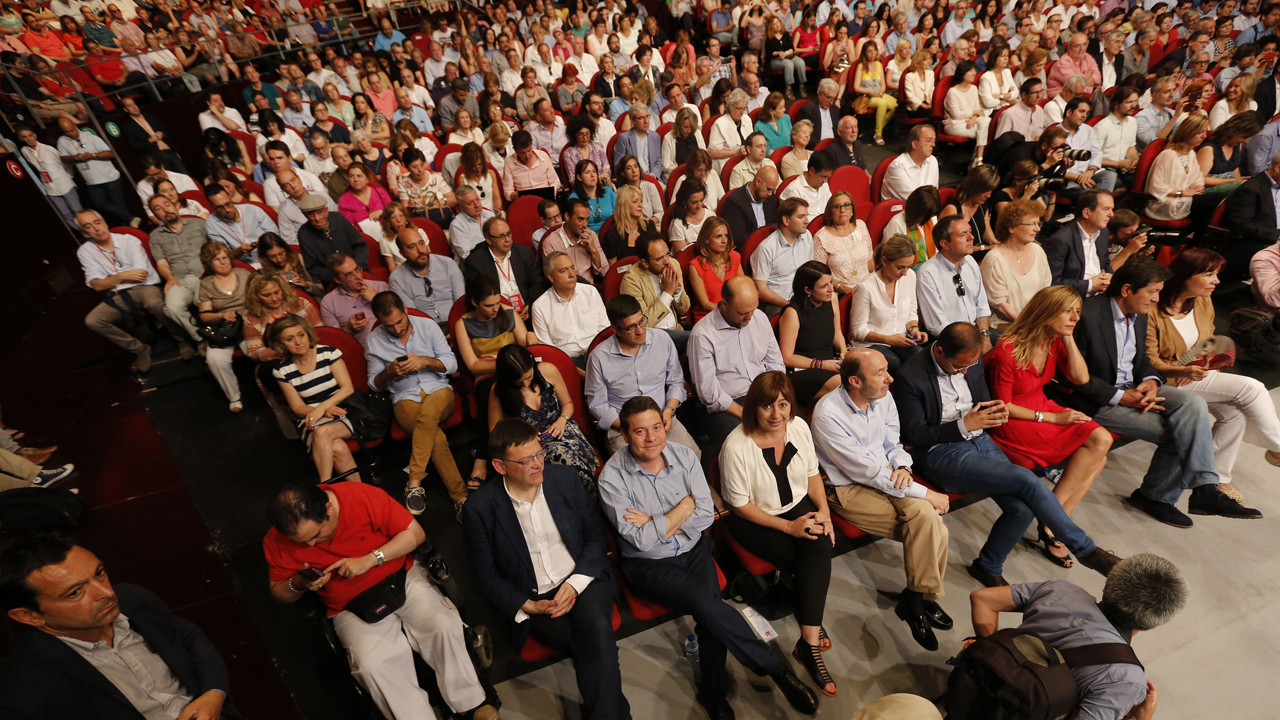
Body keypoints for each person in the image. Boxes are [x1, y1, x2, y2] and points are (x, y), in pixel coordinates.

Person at [597, 396, 820, 718]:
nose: (651, 438)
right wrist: (685, 505)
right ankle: (776, 669)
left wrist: (659, 522)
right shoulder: (612, 478)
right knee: (707, 603)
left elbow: (705, 516)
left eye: (657, 427)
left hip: (694, 550)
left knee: (709, 614)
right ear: (626, 434)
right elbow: (641, 541)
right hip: (649, 565)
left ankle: (713, 695)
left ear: (664, 425)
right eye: (640, 431)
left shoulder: (684, 456)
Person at [893, 322, 1123, 586]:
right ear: (940, 352)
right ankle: (1088, 551)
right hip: (940, 453)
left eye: (971, 365)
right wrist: (964, 425)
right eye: (959, 367)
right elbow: (916, 435)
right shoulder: (910, 376)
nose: (966, 371)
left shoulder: (971, 360)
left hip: (980, 438)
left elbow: (984, 400)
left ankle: (987, 566)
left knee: (1021, 509)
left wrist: (994, 412)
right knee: (1026, 479)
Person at [1045, 257, 1261, 526]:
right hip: (1097, 399)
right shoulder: (1086, 316)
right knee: (1180, 434)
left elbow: (1142, 361)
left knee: (1193, 403)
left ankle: (1205, 488)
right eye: (1153, 291)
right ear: (1127, 290)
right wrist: (1122, 397)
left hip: (1135, 387)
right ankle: (1156, 497)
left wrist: (1150, 380)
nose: (1157, 299)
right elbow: (1073, 377)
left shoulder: (1139, 315)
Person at [262, 482, 498, 720]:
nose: (311, 545)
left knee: (441, 625)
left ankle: (470, 703)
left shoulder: (361, 497)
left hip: (400, 577)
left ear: (328, 509)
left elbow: (415, 534)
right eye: (302, 541)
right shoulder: (277, 540)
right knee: (372, 665)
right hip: (349, 607)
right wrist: (298, 583)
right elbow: (279, 592)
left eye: (316, 535)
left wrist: (370, 559)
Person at [462, 419, 629, 719]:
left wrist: (575, 583)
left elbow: (595, 535)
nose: (539, 464)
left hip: (583, 580)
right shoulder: (480, 508)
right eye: (526, 460)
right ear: (500, 466)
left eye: (539, 453)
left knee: (595, 634)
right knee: (595, 647)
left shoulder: (565, 479)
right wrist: (528, 605)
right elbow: (485, 576)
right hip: (535, 598)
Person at [0, 534, 247, 719]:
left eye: (99, 573)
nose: (107, 593)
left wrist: (214, 693)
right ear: (28, 616)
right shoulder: (25, 690)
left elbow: (189, 637)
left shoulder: (134, 600)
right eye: (75, 592)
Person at [808, 348, 952, 650]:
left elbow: (893, 442)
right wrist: (925, 493)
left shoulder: (882, 395)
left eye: (887, 370)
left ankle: (915, 598)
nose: (890, 378)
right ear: (855, 382)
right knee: (931, 526)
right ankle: (919, 599)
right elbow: (865, 471)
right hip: (848, 487)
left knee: (926, 522)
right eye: (880, 373)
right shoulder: (827, 415)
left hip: (889, 474)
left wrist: (903, 467)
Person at [719, 371, 837, 696]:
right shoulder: (736, 447)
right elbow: (740, 506)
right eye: (767, 406)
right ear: (753, 408)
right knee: (806, 557)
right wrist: (789, 527)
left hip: (796, 504)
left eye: (783, 405)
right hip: (755, 518)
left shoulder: (798, 427)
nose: (776, 414)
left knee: (820, 543)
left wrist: (824, 512)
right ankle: (810, 634)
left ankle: (807, 641)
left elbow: (812, 475)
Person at [985, 286, 1117, 565]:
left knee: (1100, 449)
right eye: (1067, 311)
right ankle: (1054, 521)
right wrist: (1051, 418)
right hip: (1014, 418)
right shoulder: (1007, 351)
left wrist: (1068, 339)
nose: (1076, 318)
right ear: (1046, 313)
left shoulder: (1054, 342)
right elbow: (1002, 405)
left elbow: (1081, 379)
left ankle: (1054, 520)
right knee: (1099, 447)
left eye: (1077, 311)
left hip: (1042, 405)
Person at [968, 554, 1186, 720]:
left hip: (973, 690)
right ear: (1154, 623)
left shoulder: (1060, 590)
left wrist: (995, 655)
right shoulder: (1125, 680)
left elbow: (983, 599)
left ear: (1106, 587)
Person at [1145, 249, 1280, 499]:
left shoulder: (1201, 301)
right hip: (1165, 379)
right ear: (1185, 275)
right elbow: (1150, 359)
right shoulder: (1153, 308)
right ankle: (1278, 447)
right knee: (1251, 387)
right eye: (1209, 275)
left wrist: (1198, 363)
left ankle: (1216, 478)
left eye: (1216, 274)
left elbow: (1209, 340)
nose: (1216, 281)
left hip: (1195, 371)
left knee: (1234, 414)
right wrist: (1182, 368)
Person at [365, 291, 468, 518]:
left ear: (405, 309)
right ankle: (460, 498)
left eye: (400, 321)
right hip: (404, 396)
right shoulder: (374, 340)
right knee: (435, 437)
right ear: (380, 321)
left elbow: (451, 364)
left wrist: (426, 361)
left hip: (438, 389)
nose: (397, 329)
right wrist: (389, 372)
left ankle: (414, 481)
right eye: (389, 325)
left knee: (429, 415)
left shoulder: (427, 326)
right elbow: (374, 384)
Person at [586, 293, 699, 456]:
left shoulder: (662, 339)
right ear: (616, 330)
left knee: (692, 456)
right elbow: (598, 405)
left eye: (642, 321)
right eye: (631, 327)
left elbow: (676, 382)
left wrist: (668, 411)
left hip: (662, 418)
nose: (640, 331)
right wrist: (628, 427)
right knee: (639, 468)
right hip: (624, 428)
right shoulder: (599, 357)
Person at [689, 275, 786, 459]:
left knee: (795, 423)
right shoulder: (702, 335)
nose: (750, 317)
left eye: (753, 310)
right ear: (725, 305)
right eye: (742, 313)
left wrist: (775, 396)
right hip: (728, 404)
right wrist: (745, 413)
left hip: (762, 393)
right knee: (748, 441)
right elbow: (708, 392)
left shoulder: (759, 318)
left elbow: (775, 362)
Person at [74, 209, 177, 374]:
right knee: (93, 321)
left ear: (105, 223)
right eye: (88, 226)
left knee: (154, 303)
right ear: (84, 232)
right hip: (118, 294)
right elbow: (97, 286)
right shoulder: (85, 251)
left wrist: (110, 279)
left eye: (97, 222)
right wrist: (122, 276)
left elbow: (141, 274)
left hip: (145, 286)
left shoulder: (129, 240)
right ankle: (139, 349)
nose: (96, 228)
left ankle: (180, 338)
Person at [267, 315, 362, 483]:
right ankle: (361, 492)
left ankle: (323, 485)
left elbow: (347, 389)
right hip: (310, 417)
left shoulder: (328, 353)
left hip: (344, 410)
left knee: (322, 432)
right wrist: (322, 411)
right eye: (290, 339)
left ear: (308, 334)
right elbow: (297, 408)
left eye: (301, 335)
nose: (298, 342)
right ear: (281, 344)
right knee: (338, 448)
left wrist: (322, 408)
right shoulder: (282, 371)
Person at [849, 233, 927, 373]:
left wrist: (914, 330)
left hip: (899, 339)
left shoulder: (910, 276)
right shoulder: (865, 287)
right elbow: (858, 331)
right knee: (893, 363)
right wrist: (889, 339)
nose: (905, 272)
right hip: (872, 344)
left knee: (921, 358)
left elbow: (911, 311)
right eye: (900, 267)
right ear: (884, 261)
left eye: (908, 266)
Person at [779, 261, 848, 405]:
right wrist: (821, 364)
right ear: (808, 290)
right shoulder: (792, 313)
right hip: (803, 370)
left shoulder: (832, 299)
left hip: (830, 363)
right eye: (824, 286)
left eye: (831, 282)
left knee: (867, 370)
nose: (831, 289)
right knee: (848, 383)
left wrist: (843, 351)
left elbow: (836, 332)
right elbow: (787, 358)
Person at [916, 215, 993, 343]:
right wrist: (972, 343)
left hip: (976, 331)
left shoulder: (970, 261)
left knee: (1010, 346)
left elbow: (982, 305)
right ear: (945, 244)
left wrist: (984, 335)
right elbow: (937, 326)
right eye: (963, 235)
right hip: (950, 340)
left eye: (970, 232)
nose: (971, 237)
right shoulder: (927, 274)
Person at [195, 241, 250, 412]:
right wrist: (221, 315)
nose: (223, 262)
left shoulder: (244, 274)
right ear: (209, 263)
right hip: (225, 328)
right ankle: (234, 397)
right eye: (217, 259)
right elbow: (204, 315)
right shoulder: (206, 283)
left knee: (255, 350)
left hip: (249, 322)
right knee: (215, 358)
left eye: (225, 257)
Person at [145, 195, 206, 350]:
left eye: (167, 204)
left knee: (203, 301)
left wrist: (211, 269)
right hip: (178, 279)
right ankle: (200, 338)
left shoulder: (198, 224)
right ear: (155, 215)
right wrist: (169, 278)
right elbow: (161, 263)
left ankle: (218, 334)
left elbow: (216, 249)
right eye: (158, 208)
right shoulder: (155, 236)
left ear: (175, 205)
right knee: (172, 308)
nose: (166, 210)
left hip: (203, 275)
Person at [982, 200, 1053, 332]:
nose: (1037, 229)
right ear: (1012, 228)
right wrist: (1029, 325)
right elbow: (1000, 305)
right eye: (1031, 224)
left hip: (1036, 322)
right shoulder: (994, 260)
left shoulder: (1038, 250)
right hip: (1007, 325)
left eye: (1038, 223)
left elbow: (1045, 290)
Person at [531, 251, 610, 367]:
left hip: (598, 353)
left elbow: (604, 329)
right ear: (551, 277)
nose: (572, 274)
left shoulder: (590, 292)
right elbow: (549, 350)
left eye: (572, 268)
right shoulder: (539, 306)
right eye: (564, 270)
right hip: (568, 362)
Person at [56, 117, 134, 228]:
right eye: (66, 132)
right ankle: (130, 219)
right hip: (91, 182)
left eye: (71, 130)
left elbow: (110, 153)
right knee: (99, 204)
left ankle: (129, 228)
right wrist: (74, 157)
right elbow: (63, 158)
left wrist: (92, 155)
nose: (70, 133)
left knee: (119, 206)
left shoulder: (90, 137)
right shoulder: (62, 141)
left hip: (110, 178)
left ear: (75, 126)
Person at [465, 216, 546, 322]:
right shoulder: (476, 262)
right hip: (498, 316)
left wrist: (531, 305)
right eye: (501, 237)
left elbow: (538, 283)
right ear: (488, 240)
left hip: (528, 312)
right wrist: (506, 312)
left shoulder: (524, 253)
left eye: (509, 234)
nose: (507, 240)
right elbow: (479, 296)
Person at [1045, 189, 1116, 297]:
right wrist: (1090, 285)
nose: (1111, 214)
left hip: (1100, 295)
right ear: (1086, 213)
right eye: (1106, 209)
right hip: (1073, 299)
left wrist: (1110, 278)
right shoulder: (1061, 240)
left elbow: (1105, 262)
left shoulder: (1103, 232)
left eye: (1112, 209)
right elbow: (1053, 282)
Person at [15, 124, 81, 232]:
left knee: (77, 211)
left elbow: (66, 164)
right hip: (50, 188)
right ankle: (84, 234)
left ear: (35, 135)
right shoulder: (25, 151)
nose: (28, 139)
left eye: (30, 135)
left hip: (65, 185)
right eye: (25, 137)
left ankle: (89, 233)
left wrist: (68, 177)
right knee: (64, 214)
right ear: (21, 139)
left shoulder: (49, 149)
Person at [296, 194, 369, 286]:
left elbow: (360, 246)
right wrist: (339, 277)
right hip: (334, 282)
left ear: (326, 211)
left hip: (360, 272)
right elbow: (313, 267)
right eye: (311, 214)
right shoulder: (304, 233)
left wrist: (355, 269)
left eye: (320, 213)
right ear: (305, 215)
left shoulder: (339, 219)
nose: (317, 218)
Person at [1224, 150, 1280, 268]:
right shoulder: (1250, 189)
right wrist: (1277, 235)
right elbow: (1240, 225)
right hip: (1261, 245)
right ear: (1278, 168)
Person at [204, 184, 276, 267]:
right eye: (220, 207)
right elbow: (224, 256)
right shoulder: (212, 224)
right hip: (243, 265)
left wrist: (264, 242)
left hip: (269, 257)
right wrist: (240, 251)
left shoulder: (252, 210)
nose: (227, 210)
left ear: (230, 197)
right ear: (212, 207)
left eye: (227, 204)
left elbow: (275, 236)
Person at [943, 62, 992, 167]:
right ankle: (977, 161)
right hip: (954, 124)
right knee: (983, 131)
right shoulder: (952, 92)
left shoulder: (973, 88)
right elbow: (956, 115)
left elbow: (977, 110)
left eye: (974, 70)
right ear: (962, 73)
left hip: (971, 121)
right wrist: (974, 113)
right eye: (971, 71)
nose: (974, 73)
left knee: (986, 120)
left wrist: (974, 118)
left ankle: (978, 159)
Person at [601, 184, 662, 266]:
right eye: (635, 202)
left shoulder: (649, 225)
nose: (640, 205)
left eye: (641, 201)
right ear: (624, 205)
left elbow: (659, 256)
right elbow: (614, 269)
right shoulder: (612, 235)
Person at [882, 125, 939, 202]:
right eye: (928, 140)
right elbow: (915, 200)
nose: (933, 145)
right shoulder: (897, 167)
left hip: (924, 207)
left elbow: (933, 194)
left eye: (934, 141)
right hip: (901, 208)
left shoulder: (932, 161)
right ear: (914, 144)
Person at [260, 232, 324, 298]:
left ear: (286, 249)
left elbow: (323, 289)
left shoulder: (302, 260)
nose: (279, 259)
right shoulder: (265, 273)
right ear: (266, 257)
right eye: (272, 256)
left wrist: (307, 285)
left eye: (281, 254)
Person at [502, 129, 561, 199]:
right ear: (515, 150)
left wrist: (550, 192)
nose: (527, 156)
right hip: (524, 200)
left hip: (546, 199)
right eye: (523, 153)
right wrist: (517, 196)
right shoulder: (509, 162)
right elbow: (508, 191)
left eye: (529, 150)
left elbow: (555, 182)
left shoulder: (543, 156)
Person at [766, 15, 809, 99]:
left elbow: (792, 49)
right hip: (775, 59)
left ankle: (802, 86)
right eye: (774, 24)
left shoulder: (785, 34)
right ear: (771, 27)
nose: (777, 25)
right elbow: (769, 53)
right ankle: (788, 89)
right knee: (788, 64)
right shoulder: (769, 38)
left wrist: (785, 53)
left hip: (788, 55)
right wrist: (779, 53)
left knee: (800, 62)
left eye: (778, 22)